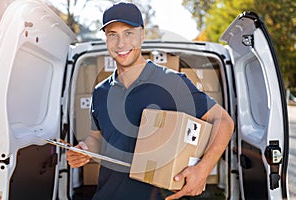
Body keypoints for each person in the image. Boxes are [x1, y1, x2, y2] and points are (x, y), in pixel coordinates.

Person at [66, 1, 234, 200]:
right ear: (106, 39)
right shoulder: (100, 92)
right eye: (113, 35)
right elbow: (98, 137)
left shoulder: (171, 82)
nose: (121, 44)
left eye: (128, 33)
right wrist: (84, 150)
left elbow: (223, 121)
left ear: (142, 35)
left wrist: (203, 169)